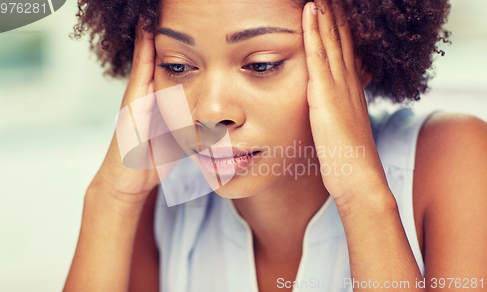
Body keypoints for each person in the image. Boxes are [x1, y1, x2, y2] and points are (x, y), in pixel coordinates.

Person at [63, 0, 487, 291]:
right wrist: (111, 200)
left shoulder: (454, 161)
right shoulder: (156, 195)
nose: (210, 111)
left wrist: (361, 195)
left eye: (261, 64)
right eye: (177, 66)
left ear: (359, 58)